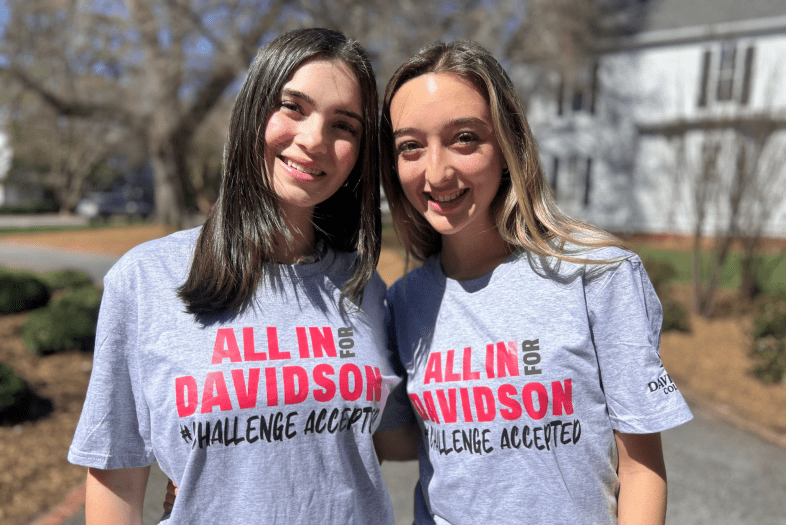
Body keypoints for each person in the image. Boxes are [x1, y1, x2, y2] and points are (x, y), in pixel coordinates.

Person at [68, 28, 400, 524]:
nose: (314, 140)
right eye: (293, 107)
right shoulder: (146, 280)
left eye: (344, 125)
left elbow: (402, 434)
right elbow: (115, 472)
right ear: (252, 113)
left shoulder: (363, 287)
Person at [376, 40, 693, 524]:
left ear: (508, 146)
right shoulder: (401, 303)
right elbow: (391, 439)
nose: (435, 172)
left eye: (464, 138)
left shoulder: (598, 275)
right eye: (410, 146)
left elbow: (642, 468)